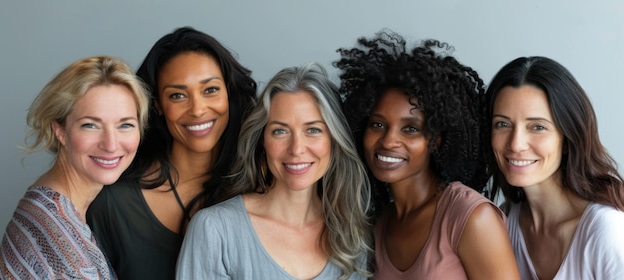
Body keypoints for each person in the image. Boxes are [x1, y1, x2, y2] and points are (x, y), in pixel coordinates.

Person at [335, 30, 520, 279]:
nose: (389, 140)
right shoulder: (379, 224)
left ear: (436, 139)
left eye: (410, 129)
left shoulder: (469, 217)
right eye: (377, 124)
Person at [86, 26, 257, 279]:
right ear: (157, 105)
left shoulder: (261, 186)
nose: (197, 110)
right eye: (177, 95)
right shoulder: (114, 203)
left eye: (210, 90)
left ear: (229, 93)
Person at [176, 62, 372, 280]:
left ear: (334, 141)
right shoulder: (215, 229)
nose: (296, 148)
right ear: (262, 142)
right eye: (280, 131)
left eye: (313, 130)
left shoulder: (351, 235)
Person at [0, 56, 149, 279]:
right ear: (60, 130)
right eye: (91, 125)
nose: (111, 144)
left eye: (125, 125)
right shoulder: (65, 255)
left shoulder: (46, 203)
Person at [486, 56, 624, 280]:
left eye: (537, 127)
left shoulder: (606, 230)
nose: (515, 143)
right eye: (502, 124)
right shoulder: (506, 221)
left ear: (568, 138)